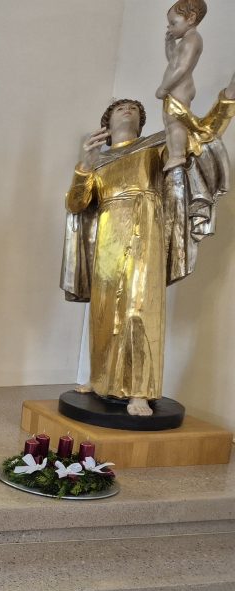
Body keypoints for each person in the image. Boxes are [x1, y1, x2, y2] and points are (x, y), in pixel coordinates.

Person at [61, 73, 235, 416]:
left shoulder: (157, 145)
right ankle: (100, 380)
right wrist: (84, 164)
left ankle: (139, 390)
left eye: (133, 109)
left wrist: (228, 98)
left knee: (139, 309)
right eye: (120, 108)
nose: (127, 109)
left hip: (145, 230)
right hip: (107, 240)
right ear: (107, 124)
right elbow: (77, 203)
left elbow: (202, 133)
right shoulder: (98, 162)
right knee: (103, 312)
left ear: (141, 123)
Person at [156, 0, 206, 172]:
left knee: (175, 123)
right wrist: (169, 44)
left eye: (173, 23)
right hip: (175, 88)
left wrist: (164, 87)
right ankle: (173, 154)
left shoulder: (193, 39)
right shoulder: (185, 40)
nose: (169, 27)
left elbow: (183, 67)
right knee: (169, 122)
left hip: (181, 88)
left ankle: (178, 155)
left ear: (191, 18)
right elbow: (173, 61)